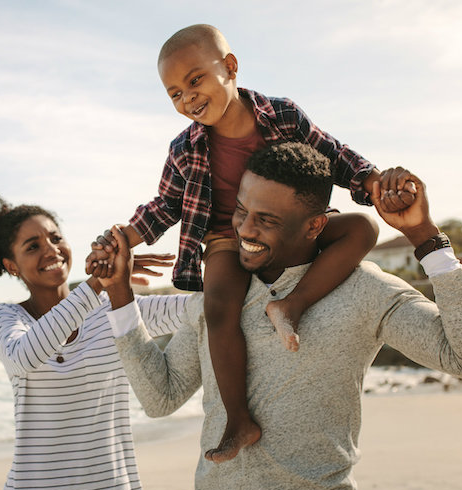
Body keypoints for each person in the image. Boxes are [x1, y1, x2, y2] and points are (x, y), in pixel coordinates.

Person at [98, 142, 462, 490]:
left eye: (266, 220)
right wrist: (121, 294)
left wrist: (425, 238)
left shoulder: (363, 290)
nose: (244, 231)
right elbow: (162, 397)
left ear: (314, 226)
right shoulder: (220, 296)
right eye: (241, 211)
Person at [86, 24, 416, 463]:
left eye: (195, 80)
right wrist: (122, 237)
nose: (188, 99)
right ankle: (239, 421)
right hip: (227, 236)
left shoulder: (282, 116)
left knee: (362, 230)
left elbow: (334, 155)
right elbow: (165, 205)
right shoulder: (184, 148)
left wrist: (374, 182)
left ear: (229, 67)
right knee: (218, 307)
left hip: (290, 228)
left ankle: (291, 306)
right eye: (174, 94)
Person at [0, 195, 189, 490]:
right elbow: (23, 356)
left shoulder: (115, 308)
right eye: (33, 246)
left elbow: (197, 311)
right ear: (11, 265)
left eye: (55, 238)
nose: (50, 249)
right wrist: (97, 285)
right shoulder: (6, 318)